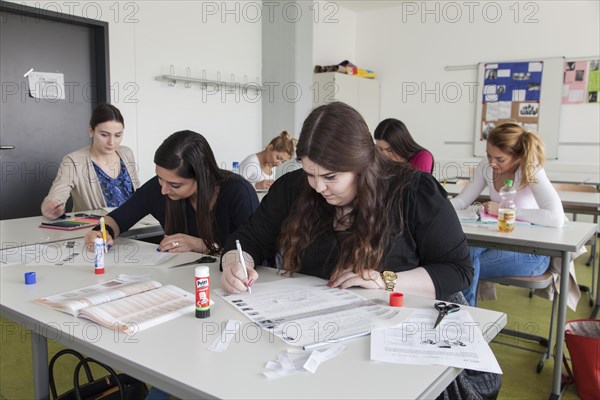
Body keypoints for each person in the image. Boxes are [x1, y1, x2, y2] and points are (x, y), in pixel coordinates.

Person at [220, 102, 472, 302]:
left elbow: (457, 271)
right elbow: (248, 240)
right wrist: (235, 264)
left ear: (362, 166)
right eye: (309, 173)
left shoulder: (414, 192)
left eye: (331, 176)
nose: (318, 187)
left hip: (396, 324)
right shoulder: (293, 188)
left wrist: (385, 281)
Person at [84, 130, 259, 255]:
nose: (164, 189)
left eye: (175, 185)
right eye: (159, 177)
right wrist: (101, 232)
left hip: (231, 283)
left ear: (202, 177)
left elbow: (254, 251)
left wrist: (200, 245)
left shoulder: (238, 193)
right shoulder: (158, 188)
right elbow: (117, 219)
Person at [449, 122, 565, 306]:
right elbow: (463, 201)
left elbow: (556, 217)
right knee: (464, 252)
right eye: (488, 155)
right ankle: (464, 317)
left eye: (500, 159)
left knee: (459, 264)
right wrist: (438, 207)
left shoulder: (531, 169)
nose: (492, 162)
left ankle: (463, 318)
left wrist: (507, 211)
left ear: (518, 156)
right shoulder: (487, 165)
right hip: (499, 242)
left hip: (532, 253)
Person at [41, 103, 139, 219]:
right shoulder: (73, 161)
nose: (112, 142)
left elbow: (138, 195)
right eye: (104, 135)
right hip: (97, 231)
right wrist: (52, 205)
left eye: (118, 135)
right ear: (91, 131)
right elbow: (57, 194)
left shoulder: (126, 153)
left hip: (135, 225)